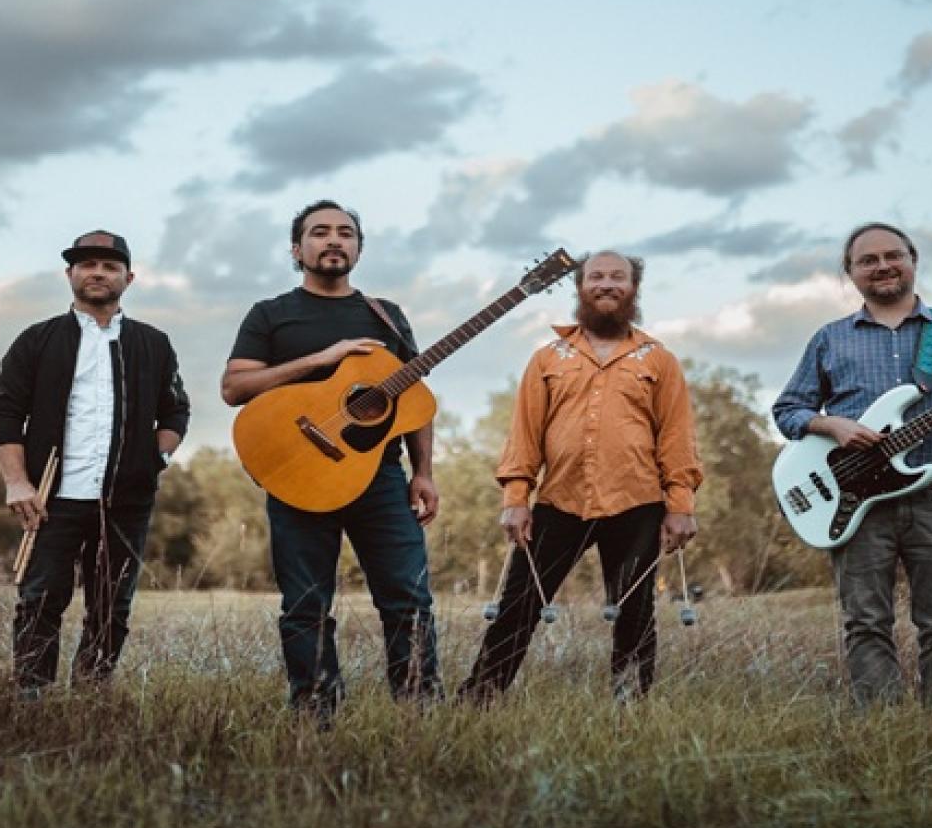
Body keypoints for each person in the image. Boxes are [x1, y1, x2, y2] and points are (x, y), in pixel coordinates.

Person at [771, 222, 932, 709]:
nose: (882, 266)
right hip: (852, 502)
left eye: (893, 255)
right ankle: (879, 726)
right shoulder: (830, 339)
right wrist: (833, 426)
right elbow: (788, 411)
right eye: (868, 260)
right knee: (865, 622)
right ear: (850, 272)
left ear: (913, 262)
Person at [221, 200, 442, 718]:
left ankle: (419, 710)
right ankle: (316, 708)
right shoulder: (270, 314)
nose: (334, 240)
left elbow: (413, 399)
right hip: (298, 474)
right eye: (319, 232)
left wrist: (424, 473)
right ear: (297, 250)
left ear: (359, 249)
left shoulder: (387, 316)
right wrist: (323, 359)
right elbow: (234, 388)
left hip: (380, 477)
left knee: (409, 599)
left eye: (346, 232)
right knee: (305, 604)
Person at [459, 250, 703, 703]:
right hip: (559, 502)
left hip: (637, 503)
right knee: (518, 605)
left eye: (618, 277)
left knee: (635, 611)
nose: (606, 284)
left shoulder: (659, 360)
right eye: (596, 276)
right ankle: (478, 699)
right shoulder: (547, 358)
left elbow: (676, 437)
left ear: (633, 288)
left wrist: (681, 505)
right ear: (579, 287)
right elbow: (525, 434)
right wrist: (516, 498)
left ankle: (631, 706)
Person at [0, 230, 190, 697]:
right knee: (40, 600)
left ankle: (90, 698)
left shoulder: (154, 343)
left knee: (111, 607)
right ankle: (32, 699)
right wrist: (17, 482)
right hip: (50, 497)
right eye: (87, 265)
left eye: (109, 266)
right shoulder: (36, 340)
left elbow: (176, 411)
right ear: (70, 274)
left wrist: (154, 459)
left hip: (125, 502)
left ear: (128, 278)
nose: (98, 273)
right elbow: (6, 412)